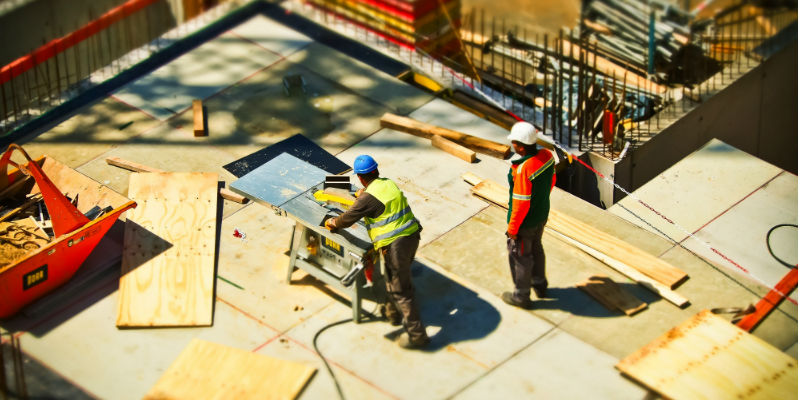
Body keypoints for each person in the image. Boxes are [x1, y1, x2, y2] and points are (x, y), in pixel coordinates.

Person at [324, 155, 430, 349]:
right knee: (393, 277)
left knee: (401, 289)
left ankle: (417, 335)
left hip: (396, 245)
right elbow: (376, 197)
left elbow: (346, 219)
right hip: (412, 236)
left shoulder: (367, 198)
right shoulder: (386, 184)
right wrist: (364, 194)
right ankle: (393, 313)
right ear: (376, 171)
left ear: (360, 177)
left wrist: (332, 222)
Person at [501, 121, 556, 309]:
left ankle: (521, 297)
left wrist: (513, 229)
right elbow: (552, 180)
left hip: (525, 223)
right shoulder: (547, 156)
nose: (512, 145)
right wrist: (540, 202)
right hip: (541, 215)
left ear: (520, 146)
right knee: (537, 248)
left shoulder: (524, 168)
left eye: (514, 142)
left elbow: (520, 203)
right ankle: (540, 285)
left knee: (520, 256)